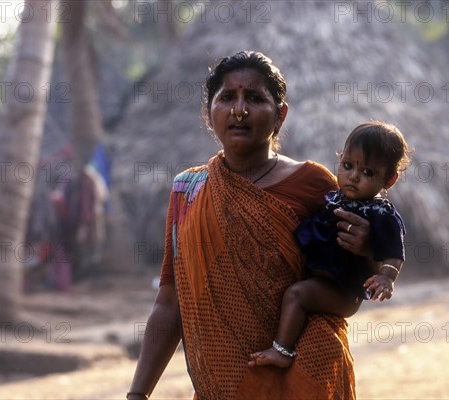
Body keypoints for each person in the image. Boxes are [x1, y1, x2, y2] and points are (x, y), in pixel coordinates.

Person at [126, 51, 374, 400]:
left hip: (305, 377)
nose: (238, 110)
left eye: (255, 98)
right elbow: (170, 303)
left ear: (280, 116)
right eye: (227, 97)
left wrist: (364, 253)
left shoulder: (315, 184)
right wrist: (138, 394)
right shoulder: (188, 191)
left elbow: (349, 296)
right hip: (225, 386)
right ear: (208, 114)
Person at [249, 121, 411, 368]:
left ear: (389, 179)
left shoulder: (380, 214)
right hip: (319, 275)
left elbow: (394, 252)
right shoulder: (333, 196)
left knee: (297, 295)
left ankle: (282, 350)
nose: (354, 176)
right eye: (347, 166)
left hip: (343, 290)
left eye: (368, 172)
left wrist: (386, 278)